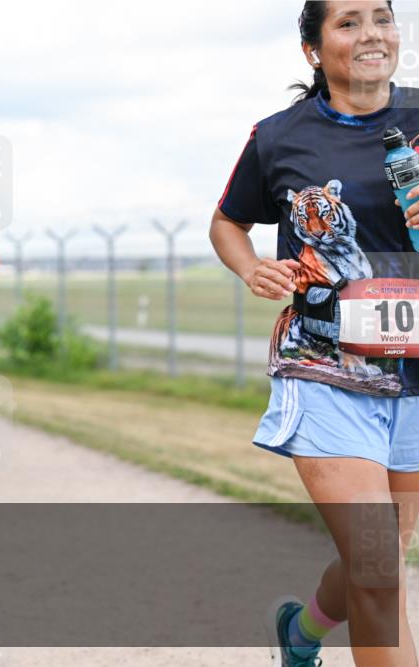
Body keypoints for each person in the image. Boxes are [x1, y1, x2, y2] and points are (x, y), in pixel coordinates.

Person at [209, 3, 418, 665]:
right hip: (324, 367)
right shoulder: (280, 137)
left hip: (415, 376)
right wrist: (252, 269)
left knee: (382, 554)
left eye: (382, 18)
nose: (371, 35)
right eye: (348, 22)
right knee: (379, 565)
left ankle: (303, 632)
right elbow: (227, 222)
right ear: (312, 50)